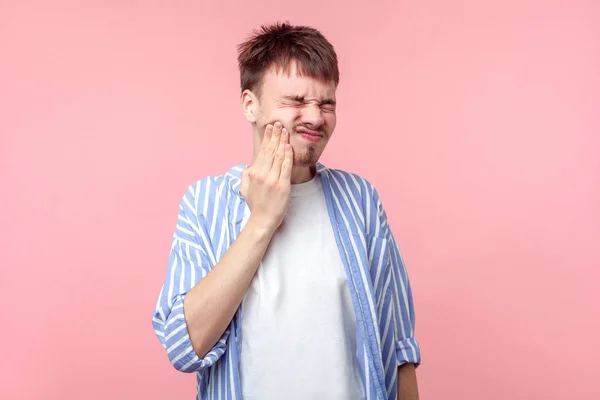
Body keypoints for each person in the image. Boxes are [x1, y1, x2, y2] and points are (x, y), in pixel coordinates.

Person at [152, 22, 421, 400]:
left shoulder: (360, 200)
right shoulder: (205, 203)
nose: (315, 118)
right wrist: (261, 220)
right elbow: (183, 346)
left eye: (326, 103)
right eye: (296, 101)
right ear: (250, 105)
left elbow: (398, 349)